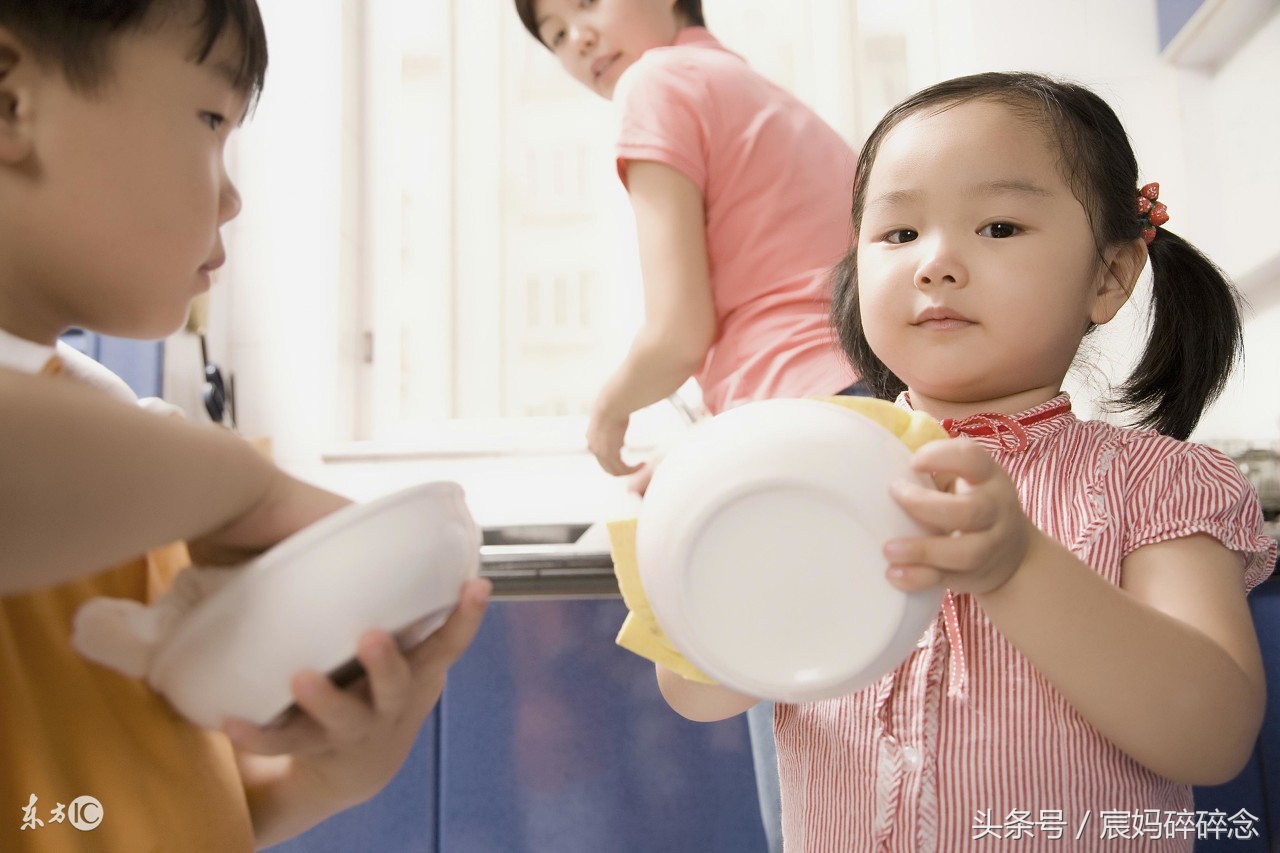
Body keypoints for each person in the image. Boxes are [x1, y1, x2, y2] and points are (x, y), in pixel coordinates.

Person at [654, 71, 1277, 850]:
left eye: (999, 227)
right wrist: (719, 547)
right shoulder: (810, 473)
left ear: (1110, 275)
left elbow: (1212, 735)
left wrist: (1017, 565)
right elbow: (693, 692)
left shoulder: (1158, 485)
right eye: (899, 234)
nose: (936, 263)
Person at [0, 3, 489, 851]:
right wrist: (246, 490)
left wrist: (311, 782)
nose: (231, 197)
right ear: (9, 100)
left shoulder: (119, 447)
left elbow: (104, 806)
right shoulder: (148, 477)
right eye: (209, 120)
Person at [513, 2, 862, 847]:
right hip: (863, 426)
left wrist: (607, 413)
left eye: (585, 3)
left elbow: (678, 332)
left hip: (795, 451)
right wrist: (708, 443)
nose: (576, 39)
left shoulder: (657, 84)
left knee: (823, 797)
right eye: (553, 34)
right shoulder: (752, 90)